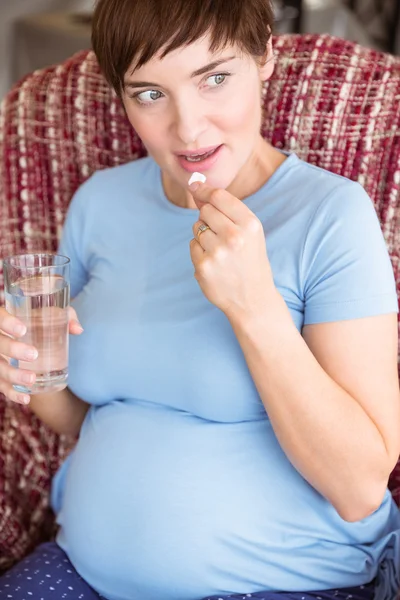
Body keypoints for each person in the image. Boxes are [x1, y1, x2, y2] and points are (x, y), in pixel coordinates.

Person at [0, 0, 399, 598]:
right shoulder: (98, 203)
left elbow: (359, 485)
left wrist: (254, 307)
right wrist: (26, 369)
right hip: (79, 572)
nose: (188, 129)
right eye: (149, 94)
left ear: (263, 56)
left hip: (280, 586)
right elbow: (84, 418)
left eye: (214, 79)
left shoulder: (331, 217)